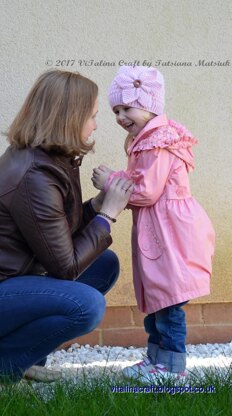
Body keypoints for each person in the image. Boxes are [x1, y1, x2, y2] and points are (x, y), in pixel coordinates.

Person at [0, 70, 134, 383]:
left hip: (3, 282)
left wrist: (97, 206)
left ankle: (22, 358)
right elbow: (66, 267)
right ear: (70, 117)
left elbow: (58, 232)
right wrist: (107, 216)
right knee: (87, 305)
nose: (96, 125)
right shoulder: (35, 176)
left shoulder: (49, 159)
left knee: (104, 264)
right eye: (93, 116)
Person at [92, 65, 215, 381]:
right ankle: (156, 360)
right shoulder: (146, 138)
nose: (119, 116)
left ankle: (173, 370)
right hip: (159, 230)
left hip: (171, 234)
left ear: (148, 105)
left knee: (170, 303)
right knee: (158, 303)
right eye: (115, 110)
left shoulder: (157, 141)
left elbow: (146, 191)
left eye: (126, 107)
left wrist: (111, 182)